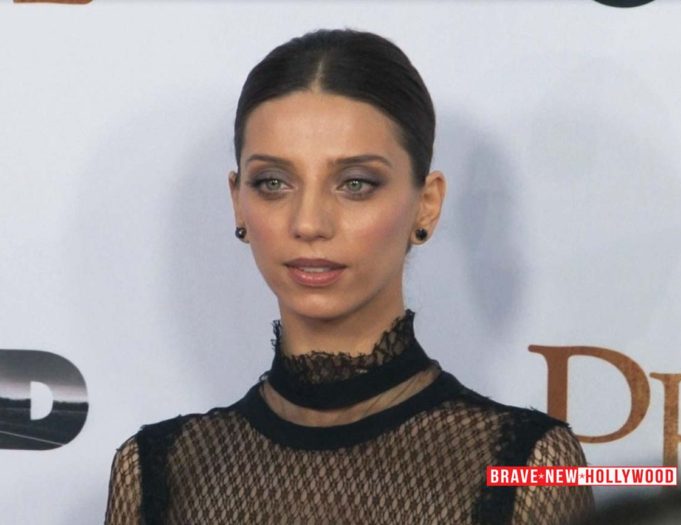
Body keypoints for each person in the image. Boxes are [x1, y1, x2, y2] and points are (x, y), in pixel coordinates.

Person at [104, 28, 595, 524]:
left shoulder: (527, 467)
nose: (309, 223)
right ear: (238, 201)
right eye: (273, 182)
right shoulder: (156, 470)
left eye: (355, 183)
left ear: (426, 204)